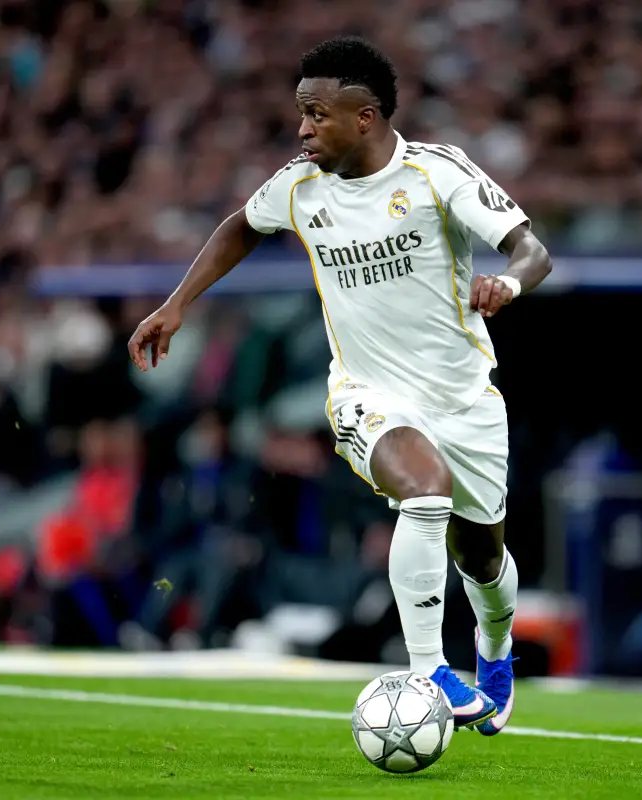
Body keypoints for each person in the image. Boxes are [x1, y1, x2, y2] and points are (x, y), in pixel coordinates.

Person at [128, 36, 552, 735]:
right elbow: (242, 224)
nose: (302, 130)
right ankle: (429, 672)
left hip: (462, 397)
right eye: (300, 114)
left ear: (367, 116)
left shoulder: (436, 174)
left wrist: (505, 282)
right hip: (367, 392)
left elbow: (531, 249)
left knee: (483, 558)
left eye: (316, 114)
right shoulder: (301, 183)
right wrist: (178, 303)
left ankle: (494, 647)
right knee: (424, 492)